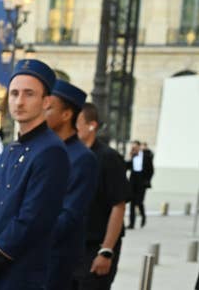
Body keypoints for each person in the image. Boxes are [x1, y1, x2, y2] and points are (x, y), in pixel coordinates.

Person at [0, 59, 70, 290]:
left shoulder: (51, 150)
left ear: (46, 101)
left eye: (29, 94)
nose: (19, 101)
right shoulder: (10, 148)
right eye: (13, 93)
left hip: (19, 275)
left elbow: (32, 219)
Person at [44, 80, 98, 290]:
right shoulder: (45, 149)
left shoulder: (83, 158)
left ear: (67, 115)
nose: (42, 111)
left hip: (57, 261)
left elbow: (69, 216)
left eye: (49, 107)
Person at [72, 102, 129, 290]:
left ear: (92, 125)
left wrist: (106, 251)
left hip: (95, 248)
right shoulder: (71, 155)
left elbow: (118, 206)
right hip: (73, 249)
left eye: (77, 122)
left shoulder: (108, 158)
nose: (73, 126)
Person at [126, 140, 154, 228]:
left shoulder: (146, 156)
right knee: (132, 203)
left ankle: (143, 216)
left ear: (139, 147)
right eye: (132, 147)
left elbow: (151, 170)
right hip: (133, 181)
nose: (134, 148)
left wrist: (147, 180)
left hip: (142, 181)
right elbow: (126, 166)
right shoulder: (132, 156)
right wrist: (130, 156)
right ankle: (131, 224)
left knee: (139, 202)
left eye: (135, 147)